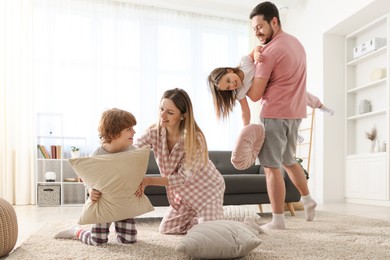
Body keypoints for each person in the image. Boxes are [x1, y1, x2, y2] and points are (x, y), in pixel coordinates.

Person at [245, 1, 317, 230]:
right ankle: (307, 199)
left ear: (274, 21)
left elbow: (255, 95)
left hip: (273, 114)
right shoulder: (297, 44)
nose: (256, 33)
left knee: (271, 167)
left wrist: (237, 87)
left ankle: (277, 220)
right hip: (295, 114)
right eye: (254, 29)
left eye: (259, 27)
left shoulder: (269, 52)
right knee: (288, 161)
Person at [134, 88, 225, 235]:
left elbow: (183, 178)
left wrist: (148, 180)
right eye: (161, 109)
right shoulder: (154, 133)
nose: (162, 115)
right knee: (167, 229)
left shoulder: (195, 140)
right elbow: (132, 150)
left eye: (170, 112)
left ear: (182, 116)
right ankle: (210, 221)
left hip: (207, 191)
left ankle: (216, 222)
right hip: (185, 195)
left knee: (210, 235)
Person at [54, 108, 139, 245]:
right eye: (129, 129)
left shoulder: (133, 152)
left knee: (129, 241)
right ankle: (76, 231)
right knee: (97, 241)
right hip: (103, 202)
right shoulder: (97, 154)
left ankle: (121, 232)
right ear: (114, 133)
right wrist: (90, 190)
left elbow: (137, 174)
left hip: (124, 202)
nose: (134, 132)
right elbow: (87, 178)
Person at [207, 45, 334, 126]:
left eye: (229, 81)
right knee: (279, 112)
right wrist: (246, 127)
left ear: (229, 70)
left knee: (300, 94)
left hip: (275, 80)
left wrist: (256, 53)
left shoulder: (244, 62)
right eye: (228, 88)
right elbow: (245, 110)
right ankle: (291, 133)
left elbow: (257, 48)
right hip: (270, 94)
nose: (232, 85)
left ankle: (320, 106)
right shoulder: (239, 92)